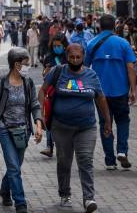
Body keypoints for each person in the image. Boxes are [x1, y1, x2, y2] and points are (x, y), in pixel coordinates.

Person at [43, 44, 112, 212]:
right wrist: (40, 114)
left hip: (86, 127)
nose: (75, 60)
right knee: (64, 161)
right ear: (67, 56)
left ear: (83, 57)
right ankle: (64, 194)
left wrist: (107, 120)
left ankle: (89, 198)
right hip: (61, 126)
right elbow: (42, 91)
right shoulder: (57, 72)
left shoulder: (91, 75)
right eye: (72, 57)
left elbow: (101, 98)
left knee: (86, 160)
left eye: (78, 57)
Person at [0, 48, 43, 213]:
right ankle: (20, 203)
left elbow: (35, 105)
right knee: (13, 166)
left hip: (23, 130)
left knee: (16, 165)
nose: (28, 67)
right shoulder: (1, 84)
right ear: (17, 64)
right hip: (5, 129)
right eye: (26, 63)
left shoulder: (28, 83)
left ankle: (5, 190)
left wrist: (38, 125)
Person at [85, 14, 137, 171]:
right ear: (114, 26)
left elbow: (85, 68)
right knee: (123, 120)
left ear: (99, 26)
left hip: (100, 93)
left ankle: (109, 160)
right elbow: (130, 68)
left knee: (104, 123)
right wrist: (133, 89)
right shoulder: (123, 43)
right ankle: (122, 150)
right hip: (120, 90)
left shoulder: (91, 43)